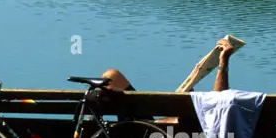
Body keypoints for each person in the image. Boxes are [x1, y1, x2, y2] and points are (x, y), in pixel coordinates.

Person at [101, 38, 237, 93]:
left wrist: (223, 60)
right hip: (157, 125)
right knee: (111, 75)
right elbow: (220, 101)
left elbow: (219, 101)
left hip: (153, 133)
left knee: (110, 77)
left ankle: (87, 124)